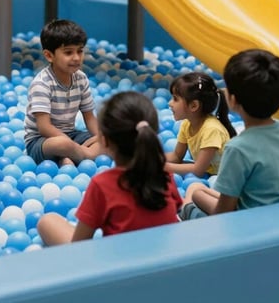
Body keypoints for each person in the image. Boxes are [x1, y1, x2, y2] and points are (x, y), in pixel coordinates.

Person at [38, 91, 182, 246]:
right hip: (162, 258)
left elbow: (79, 246)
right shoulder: (165, 175)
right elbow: (175, 213)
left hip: (120, 265)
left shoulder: (102, 184)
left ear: (104, 141)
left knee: (47, 221)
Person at [182, 49, 279, 218]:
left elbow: (224, 212)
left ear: (232, 100)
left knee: (195, 195)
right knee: (197, 189)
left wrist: (192, 206)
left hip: (253, 224)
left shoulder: (238, 148)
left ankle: (187, 211)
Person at [24, 19, 101, 166]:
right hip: (42, 141)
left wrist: (100, 137)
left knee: (110, 142)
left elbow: (90, 118)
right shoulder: (42, 83)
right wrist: (73, 146)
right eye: (68, 52)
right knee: (62, 145)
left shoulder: (81, 79)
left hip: (72, 135)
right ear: (49, 56)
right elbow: (44, 127)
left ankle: (69, 158)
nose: (76, 58)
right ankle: (82, 155)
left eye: (80, 51)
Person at [166, 71, 236, 178]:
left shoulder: (211, 130)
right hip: (208, 174)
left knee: (196, 189)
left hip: (227, 178)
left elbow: (198, 169)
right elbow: (176, 156)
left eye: (175, 99)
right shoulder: (186, 124)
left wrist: (163, 167)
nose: (170, 103)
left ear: (194, 106)